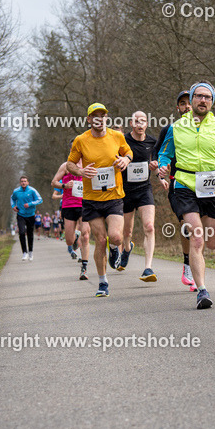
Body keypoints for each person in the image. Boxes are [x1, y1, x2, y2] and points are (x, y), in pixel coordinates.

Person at [157, 82, 215, 309]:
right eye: (199, 96)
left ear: (212, 102)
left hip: (211, 185)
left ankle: (197, 255)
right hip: (185, 184)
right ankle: (202, 290)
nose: (203, 100)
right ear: (192, 99)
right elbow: (164, 153)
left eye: (207, 97)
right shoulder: (176, 127)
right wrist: (163, 166)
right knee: (197, 237)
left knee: (212, 243)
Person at [66, 103, 132, 297]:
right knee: (100, 240)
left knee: (116, 236)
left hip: (114, 196)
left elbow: (129, 152)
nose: (99, 119)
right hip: (92, 199)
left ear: (106, 118)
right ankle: (103, 282)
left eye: (102, 115)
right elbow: (70, 163)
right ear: (89, 119)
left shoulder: (117, 136)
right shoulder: (81, 140)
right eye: (95, 116)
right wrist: (80, 171)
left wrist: (125, 160)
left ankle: (115, 248)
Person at [152, 91, 196, 291]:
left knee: (202, 229)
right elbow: (157, 154)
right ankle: (188, 266)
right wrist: (160, 174)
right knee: (187, 225)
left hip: (203, 185)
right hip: (177, 184)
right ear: (177, 108)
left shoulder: (208, 129)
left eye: (189, 102)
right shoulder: (170, 129)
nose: (187, 107)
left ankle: (194, 264)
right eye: (182, 103)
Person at [116, 110, 159, 281]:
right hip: (126, 191)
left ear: (147, 124)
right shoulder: (123, 140)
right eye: (137, 121)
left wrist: (159, 175)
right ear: (131, 123)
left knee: (149, 227)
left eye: (143, 121)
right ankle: (127, 248)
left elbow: (157, 163)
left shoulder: (152, 142)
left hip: (144, 190)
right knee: (127, 231)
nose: (140, 124)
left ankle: (148, 268)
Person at [52, 161, 91, 280]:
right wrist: (64, 186)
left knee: (86, 235)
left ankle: (84, 268)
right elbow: (53, 182)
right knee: (69, 241)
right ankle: (75, 237)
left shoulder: (89, 163)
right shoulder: (65, 166)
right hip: (69, 205)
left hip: (85, 204)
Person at [11, 175, 42, 261]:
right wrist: (13, 206)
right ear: (20, 183)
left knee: (30, 234)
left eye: (25, 181)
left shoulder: (32, 190)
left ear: (28, 182)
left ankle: (30, 252)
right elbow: (12, 199)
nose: (23, 183)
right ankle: (24, 252)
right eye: (22, 181)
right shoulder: (16, 191)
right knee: (21, 233)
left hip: (31, 215)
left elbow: (40, 199)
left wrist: (30, 204)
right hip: (20, 214)